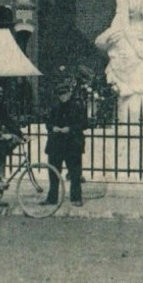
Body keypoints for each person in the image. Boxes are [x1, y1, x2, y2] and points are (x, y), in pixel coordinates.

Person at [45, 79, 88, 207]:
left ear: (70, 93)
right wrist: (53, 128)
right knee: (53, 173)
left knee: (75, 172)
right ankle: (52, 198)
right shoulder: (54, 107)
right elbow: (48, 123)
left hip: (72, 144)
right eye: (60, 94)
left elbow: (85, 124)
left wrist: (70, 128)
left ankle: (76, 198)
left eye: (65, 93)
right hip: (56, 144)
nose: (63, 97)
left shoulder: (78, 106)